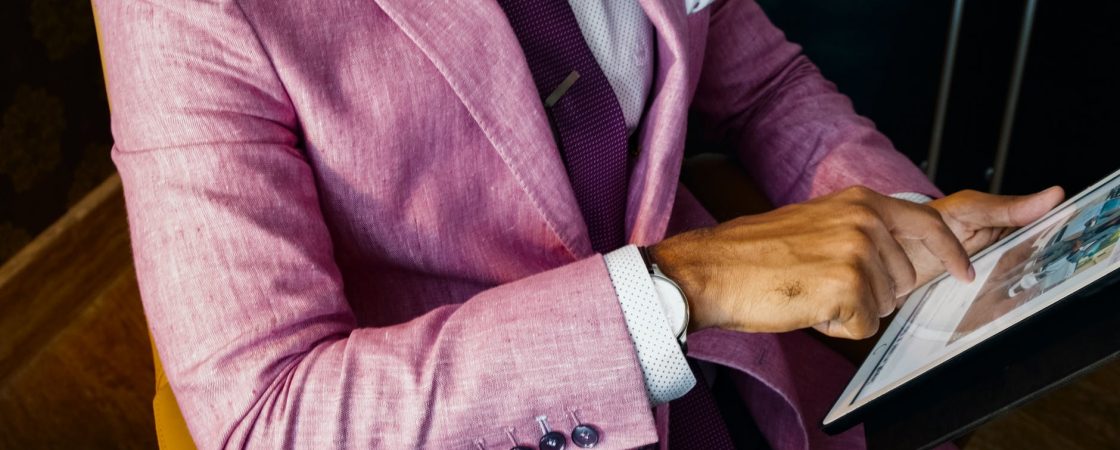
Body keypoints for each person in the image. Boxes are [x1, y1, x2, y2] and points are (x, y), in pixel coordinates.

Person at [93, 0, 1064, 448]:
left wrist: (902, 223)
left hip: (759, 397)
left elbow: (762, 84)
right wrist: (680, 286)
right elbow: (266, 417)